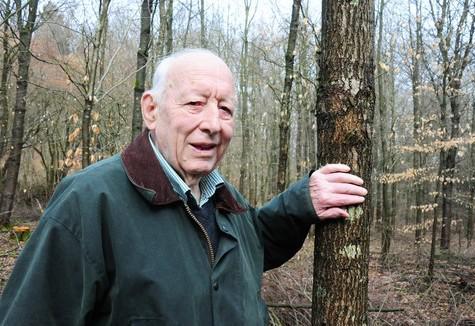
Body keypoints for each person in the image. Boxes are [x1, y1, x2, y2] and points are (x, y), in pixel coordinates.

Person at [0, 48, 367, 325]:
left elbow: (250, 245)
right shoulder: (89, 201)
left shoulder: (222, 198)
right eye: (195, 103)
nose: (212, 123)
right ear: (151, 109)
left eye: (225, 109)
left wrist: (301, 202)